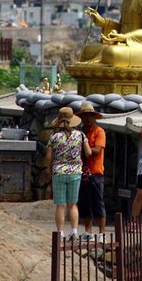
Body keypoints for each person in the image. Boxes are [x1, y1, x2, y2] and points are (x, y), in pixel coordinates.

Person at [45, 107, 91, 239]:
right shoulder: (81, 135)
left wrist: (49, 169)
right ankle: (74, 231)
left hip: (58, 172)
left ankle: (60, 232)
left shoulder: (54, 137)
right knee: (72, 204)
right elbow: (88, 153)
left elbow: (48, 156)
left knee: (60, 204)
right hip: (75, 172)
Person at [77, 102, 106, 240]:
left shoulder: (99, 131)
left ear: (93, 117)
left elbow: (98, 150)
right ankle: (88, 231)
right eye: (84, 116)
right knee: (85, 203)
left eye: (89, 116)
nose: (87, 118)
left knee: (98, 203)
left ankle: (102, 233)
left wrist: (85, 148)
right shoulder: (80, 132)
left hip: (96, 172)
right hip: (82, 172)